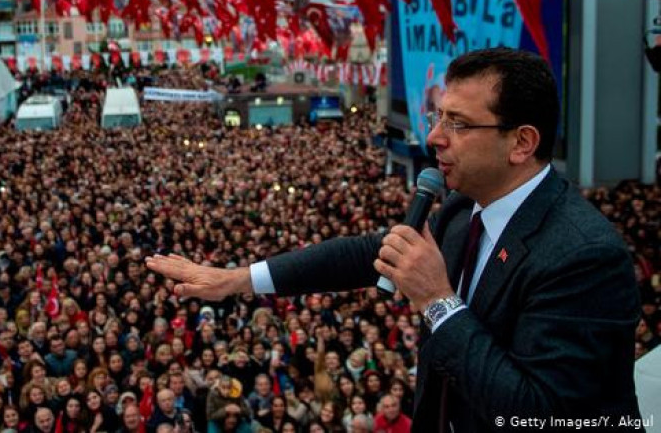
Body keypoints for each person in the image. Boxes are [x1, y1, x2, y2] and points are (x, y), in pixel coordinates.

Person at [146, 48, 642, 430]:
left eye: (459, 123)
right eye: (439, 117)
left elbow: (543, 413)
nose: (435, 137)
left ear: (522, 143)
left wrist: (438, 302)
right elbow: (369, 254)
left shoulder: (584, 255)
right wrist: (234, 280)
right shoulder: (464, 206)